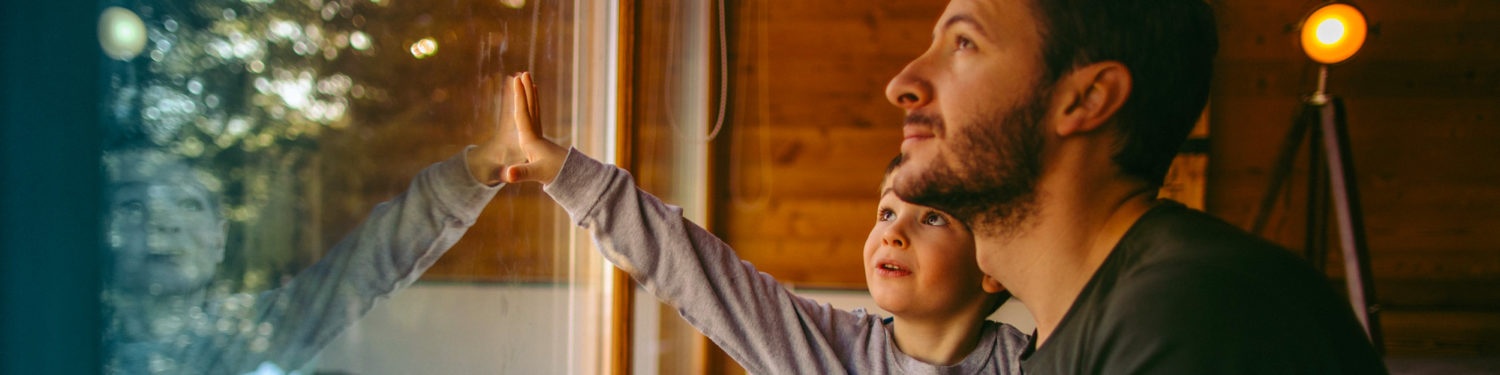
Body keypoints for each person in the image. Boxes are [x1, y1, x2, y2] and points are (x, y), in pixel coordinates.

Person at [882, 0, 1386, 373]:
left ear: (1087, 100)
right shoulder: (1074, 336)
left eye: (964, 43)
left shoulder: (1198, 316)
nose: (903, 83)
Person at [472, 72, 1028, 373]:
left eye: (931, 216)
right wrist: (565, 174)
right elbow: (689, 265)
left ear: (995, 262)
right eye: (886, 211)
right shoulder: (822, 349)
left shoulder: (1037, 362)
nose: (893, 232)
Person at [101, 110, 512, 373]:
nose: (164, 223)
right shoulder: (61, 341)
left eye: (189, 205)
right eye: (134, 206)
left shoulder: (250, 330)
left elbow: (366, 266)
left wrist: (477, 169)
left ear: (219, 239)